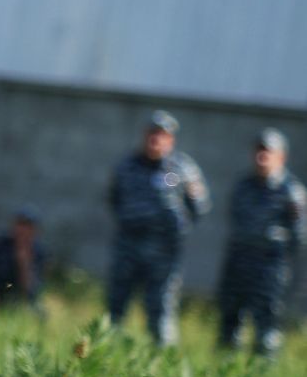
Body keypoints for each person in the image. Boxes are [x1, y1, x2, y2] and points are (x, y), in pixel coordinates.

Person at [106, 110, 209, 347]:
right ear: (144, 136)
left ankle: (161, 357)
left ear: (171, 140)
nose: (155, 140)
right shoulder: (126, 167)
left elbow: (199, 207)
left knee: (160, 308)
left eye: (162, 135)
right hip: (128, 247)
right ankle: (109, 351)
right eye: (152, 134)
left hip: (164, 252)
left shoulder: (183, 169)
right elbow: (114, 200)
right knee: (116, 304)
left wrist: (172, 231)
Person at [216, 128, 305, 358]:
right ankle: (225, 370)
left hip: (270, 268)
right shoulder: (243, 186)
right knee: (229, 320)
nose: (262, 157)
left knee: (266, 325)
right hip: (239, 262)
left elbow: (299, 236)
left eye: (268, 153)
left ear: (281, 157)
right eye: (259, 151)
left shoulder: (291, 192)